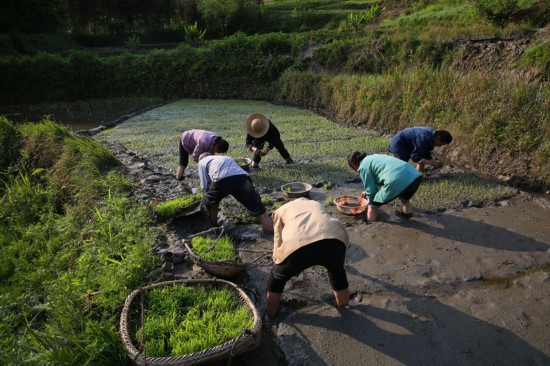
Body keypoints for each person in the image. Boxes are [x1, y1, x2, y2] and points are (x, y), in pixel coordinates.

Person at [266, 197, 350, 319]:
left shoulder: (280, 211)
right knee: (337, 275)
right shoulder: (315, 203)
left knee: (276, 280)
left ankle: (270, 316)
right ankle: (345, 309)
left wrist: (280, 264)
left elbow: (278, 240)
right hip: (334, 238)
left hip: (299, 243)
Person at [197, 152, 273, 231]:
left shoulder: (202, 162)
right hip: (243, 178)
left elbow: (205, 185)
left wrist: (209, 194)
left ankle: (214, 225)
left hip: (222, 179)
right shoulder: (224, 157)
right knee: (255, 205)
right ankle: (270, 228)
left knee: (211, 201)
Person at [347, 152, 423, 222]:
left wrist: (370, 198)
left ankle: (370, 223)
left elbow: (371, 191)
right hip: (415, 176)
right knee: (405, 199)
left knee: (372, 205)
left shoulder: (362, 167)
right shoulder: (372, 157)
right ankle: (406, 215)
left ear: (354, 165)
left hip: (397, 179)